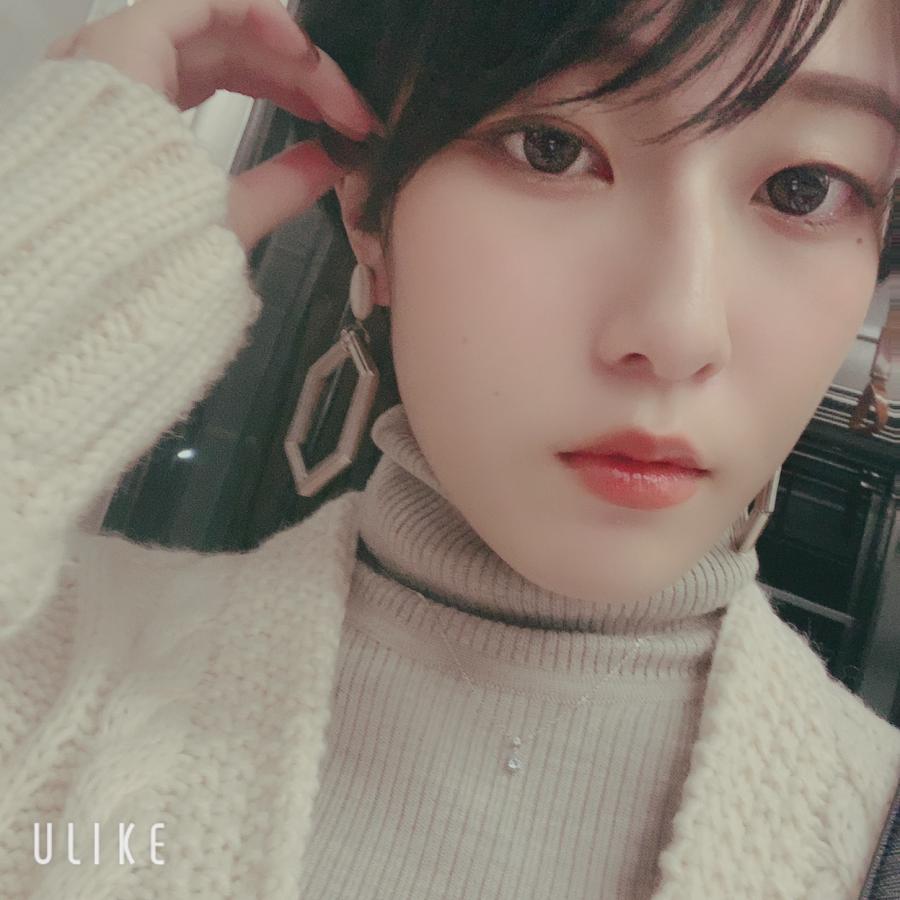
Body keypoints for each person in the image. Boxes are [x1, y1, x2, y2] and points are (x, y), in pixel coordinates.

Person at [0, 0, 897, 897]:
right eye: (551, 147)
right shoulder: (44, 690)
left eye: (805, 189)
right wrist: (30, 295)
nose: (679, 333)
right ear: (370, 210)